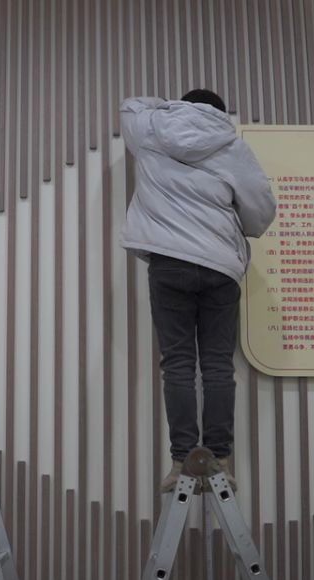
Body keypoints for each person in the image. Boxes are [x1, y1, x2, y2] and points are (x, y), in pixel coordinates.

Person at [119, 89, 276, 492]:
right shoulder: (232, 147)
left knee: (178, 364)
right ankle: (220, 460)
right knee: (218, 365)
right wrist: (242, 226)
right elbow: (261, 209)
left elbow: (131, 105)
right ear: (220, 113)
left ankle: (181, 462)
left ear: (182, 106)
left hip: (168, 263)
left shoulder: (150, 130)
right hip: (219, 266)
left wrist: (165, 107)